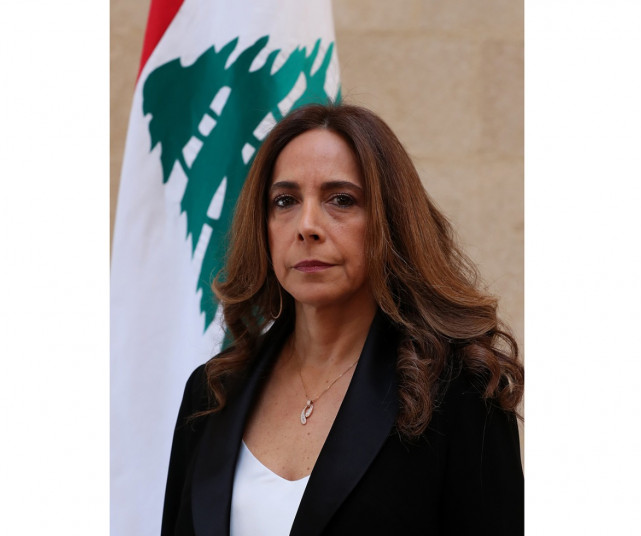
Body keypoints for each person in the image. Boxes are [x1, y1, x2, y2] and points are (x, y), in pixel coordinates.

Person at [161, 103, 524, 536]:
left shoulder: (460, 393)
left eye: (341, 200)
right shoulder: (211, 392)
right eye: (285, 201)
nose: (307, 225)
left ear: (390, 220)